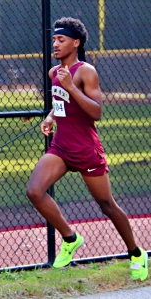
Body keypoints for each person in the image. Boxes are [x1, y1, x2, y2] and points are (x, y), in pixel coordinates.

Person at [26, 17, 148, 281]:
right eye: (55, 40)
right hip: (61, 147)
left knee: (106, 205)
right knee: (34, 191)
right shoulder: (53, 73)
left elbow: (96, 112)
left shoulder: (85, 71)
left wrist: (71, 85)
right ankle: (70, 238)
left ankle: (137, 253)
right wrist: (50, 117)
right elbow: (62, 105)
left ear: (76, 42)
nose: (56, 45)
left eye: (61, 40)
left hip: (86, 149)